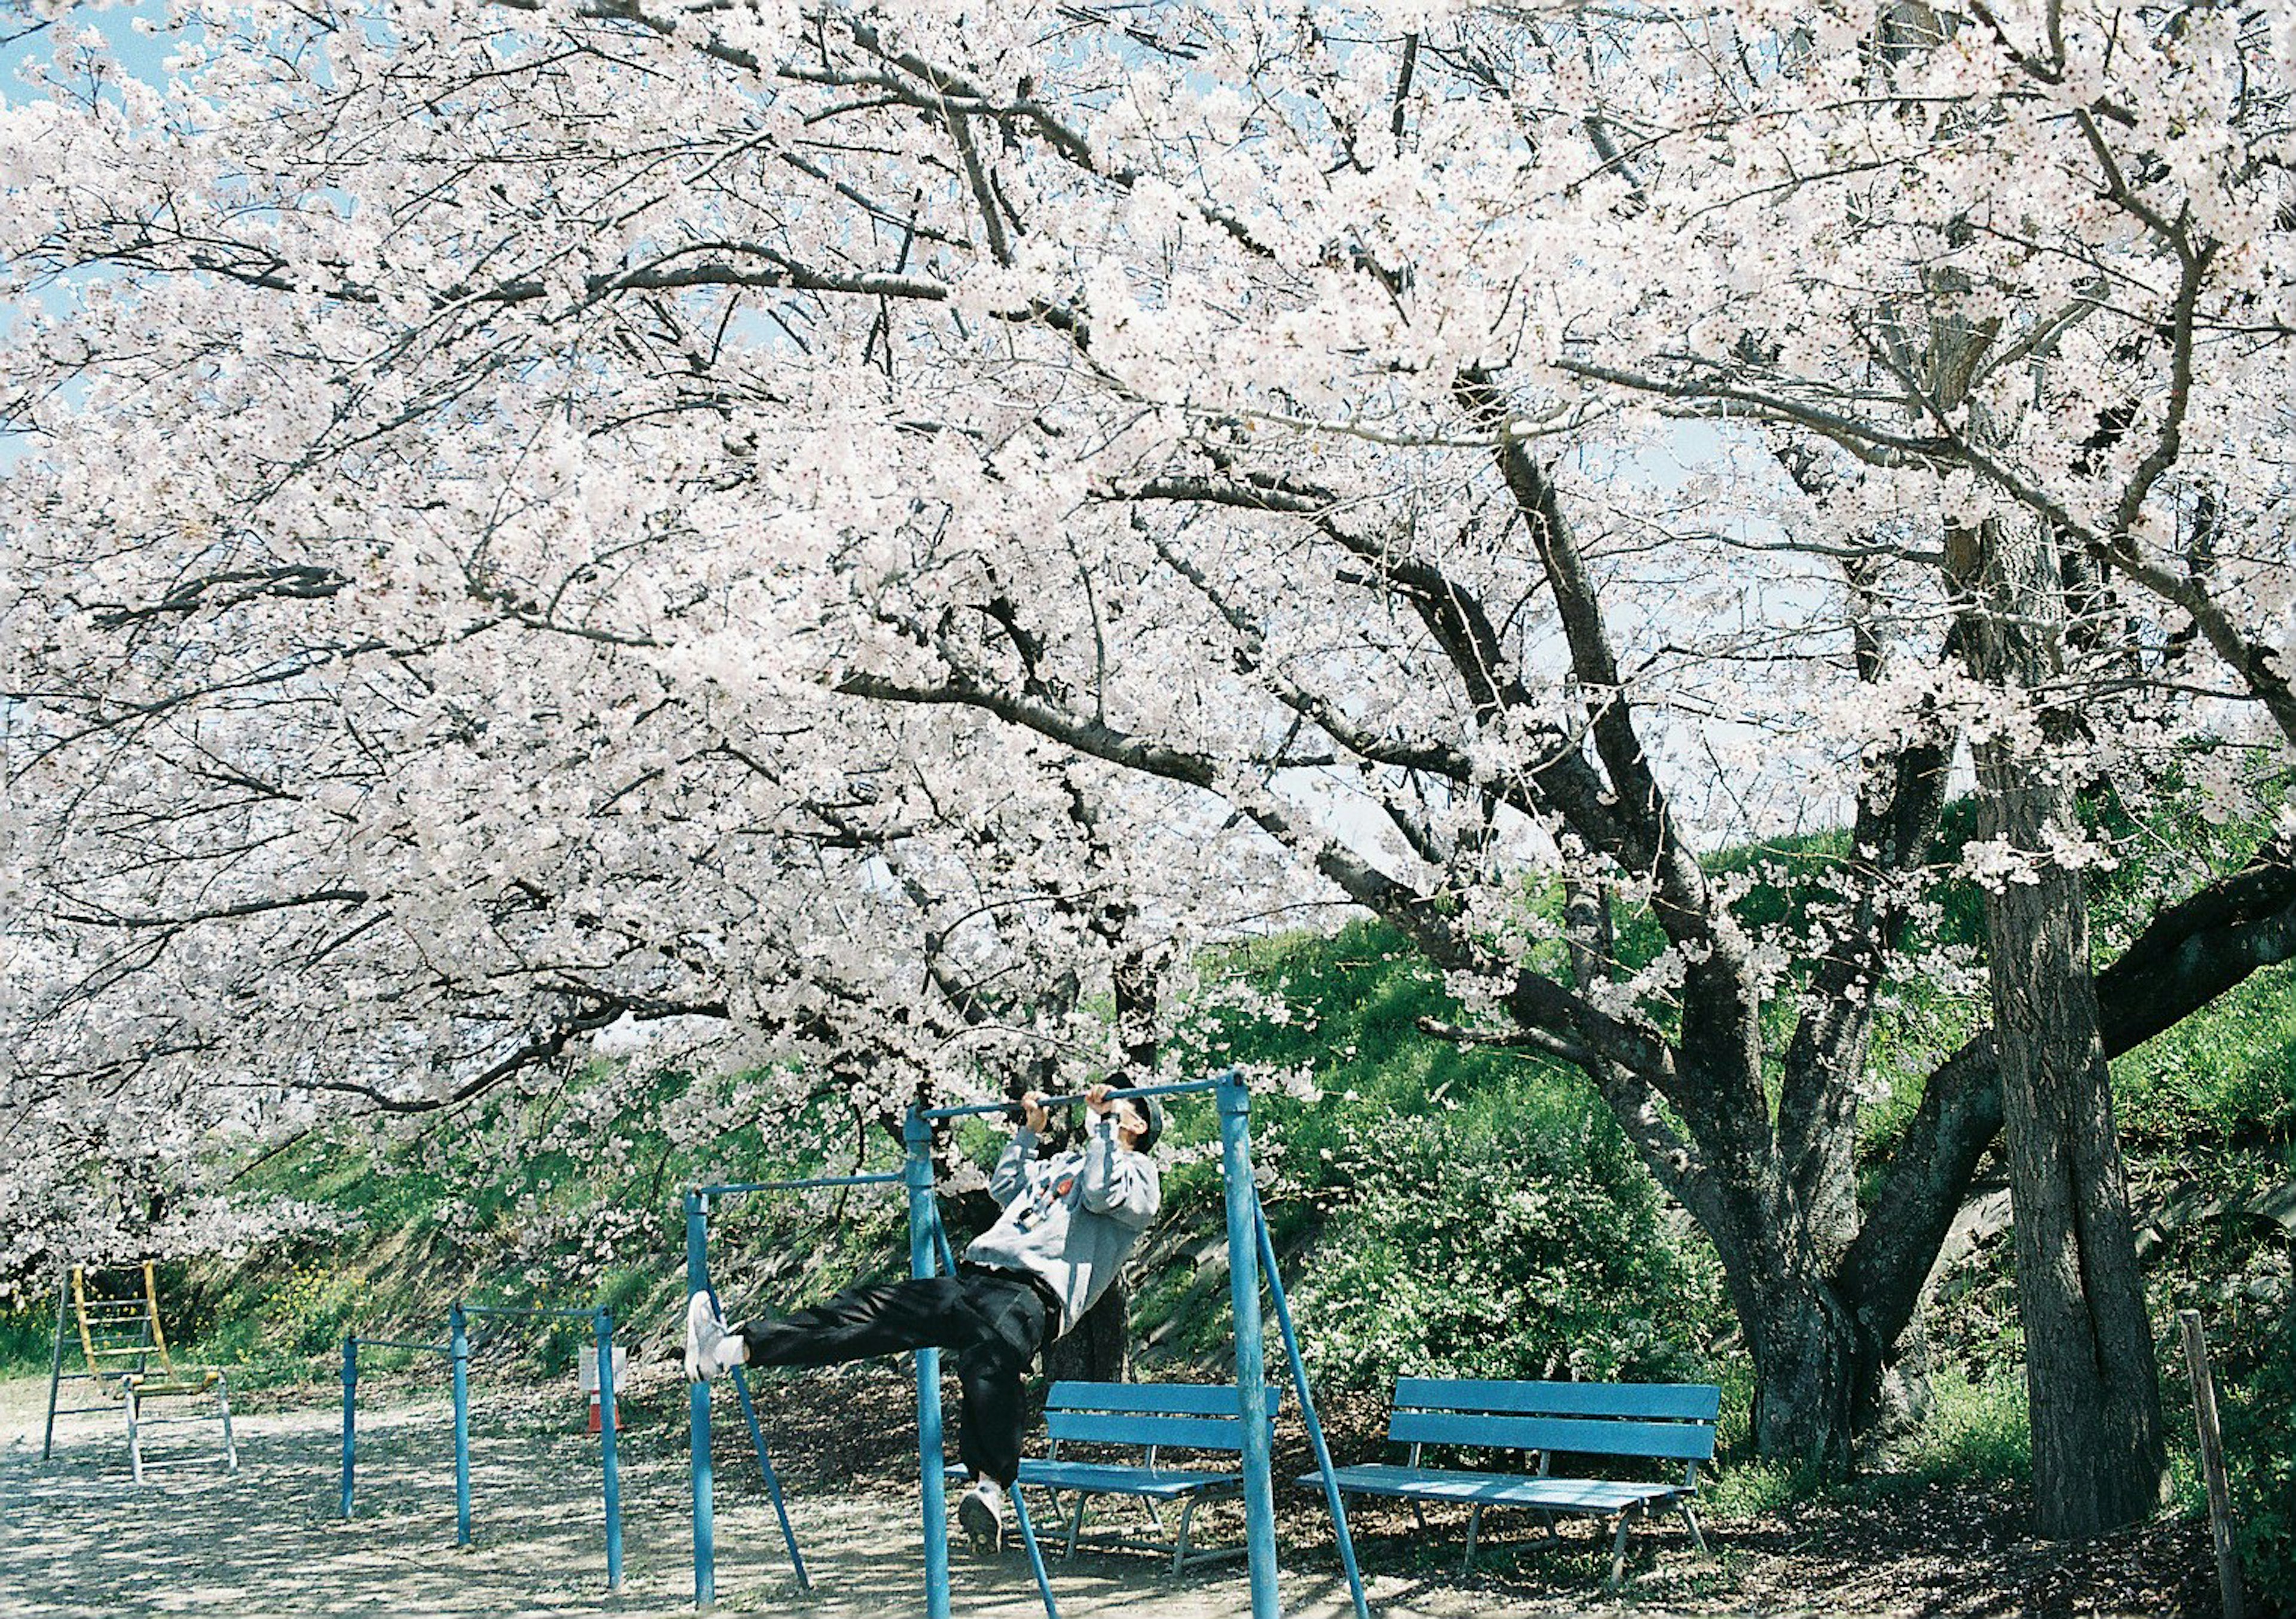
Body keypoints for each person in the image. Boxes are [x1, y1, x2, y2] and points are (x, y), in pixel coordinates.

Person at [684, 1082, 1164, 1553]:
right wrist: (1028, 1136)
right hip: (977, 1276)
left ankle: (989, 1489)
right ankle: (731, 1349)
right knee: (871, 1312)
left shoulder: (1142, 1177)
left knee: (989, 1361)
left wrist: (1103, 1132)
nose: (1098, 1099)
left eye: (1115, 1098)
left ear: (1138, 1122)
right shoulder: (1066, 1162)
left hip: (1031, 1292)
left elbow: (1103, 1195)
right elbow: (1005, 1191)